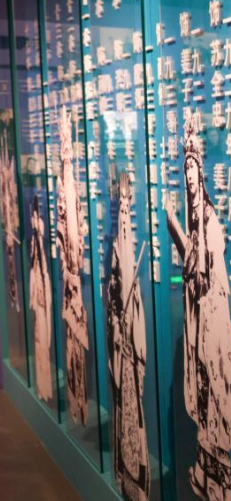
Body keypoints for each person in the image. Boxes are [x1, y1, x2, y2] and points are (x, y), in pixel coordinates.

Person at [167, 113, 231, 501]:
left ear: (200, 176)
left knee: (216, 398)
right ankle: (205, 476)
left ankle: (220, 485)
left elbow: (204, 275)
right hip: (197, 322)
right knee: (202, 400)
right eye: (185, 173)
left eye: (193, 172)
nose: (189, 180)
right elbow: (191, 272)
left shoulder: (209, 223)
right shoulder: (193, 220)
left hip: (211, 326)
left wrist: (178, 233)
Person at [107, 174, 150, 501]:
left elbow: (133, 309)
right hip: (120, 355)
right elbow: (113, 300)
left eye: (126, 208)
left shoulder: (130, 248)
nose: (123, 215)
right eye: (120, 207)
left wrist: (128, 329)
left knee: (133, 415)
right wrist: (115, 323)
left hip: (130, 358)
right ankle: (123, 471)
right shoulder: (116, 256)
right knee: (122, 409)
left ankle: (135, 477)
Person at [57, 106, 90, 425]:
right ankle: (75, 400)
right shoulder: (64, 185)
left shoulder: (70, 188)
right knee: (71, 352)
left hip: (74, 280)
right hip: (70, 281)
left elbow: (75, 236)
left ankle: (80, 400)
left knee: (76, 351)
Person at [29, 197, 53, 402]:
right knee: (39, 343)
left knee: (43, 342)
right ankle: (41, 387)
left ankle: (44, 387)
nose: (34, 221)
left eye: (36, 217)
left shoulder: (40, 251)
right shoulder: (35, 249)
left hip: (43, 304)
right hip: (39, 305)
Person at [0, 135, 20, 312]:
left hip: (10, 226)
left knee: (12, 262)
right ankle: (13, 296)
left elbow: (11, 195)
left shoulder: (8, 182)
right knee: (10, 263)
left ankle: (15, 297)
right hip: (7, 227)